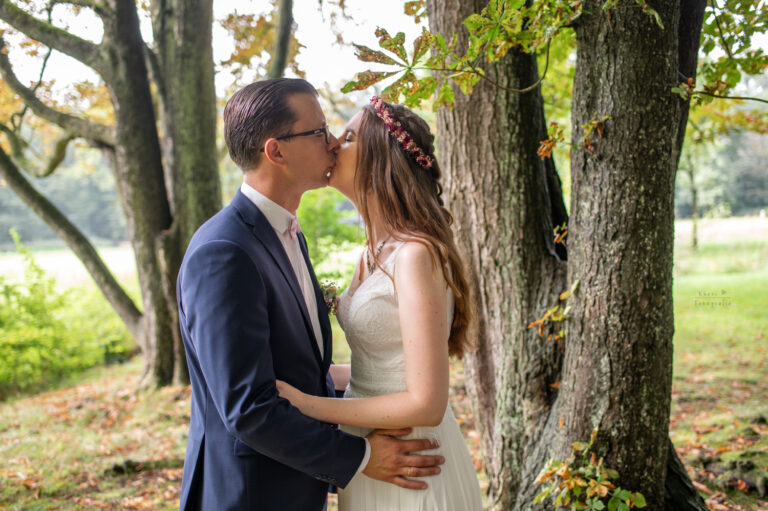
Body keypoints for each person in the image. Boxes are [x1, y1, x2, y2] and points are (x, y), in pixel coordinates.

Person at [176, 79, 445, 511]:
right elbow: (248, 409)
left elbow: (300, 372)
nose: (332, 142)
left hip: (305, 484)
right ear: (276, 152)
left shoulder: (287, 234)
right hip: (251, 495)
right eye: (319, 131)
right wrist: (359, 457)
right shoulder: (224, 252)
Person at [276, 96, 484, 510]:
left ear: (379, 159)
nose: (333, 143)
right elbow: (378, 369)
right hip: (370, 455)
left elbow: (426, 402)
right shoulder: (370, 253)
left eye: (348, 137)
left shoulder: (415, 255)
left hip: (412, 458)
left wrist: (308, 405)